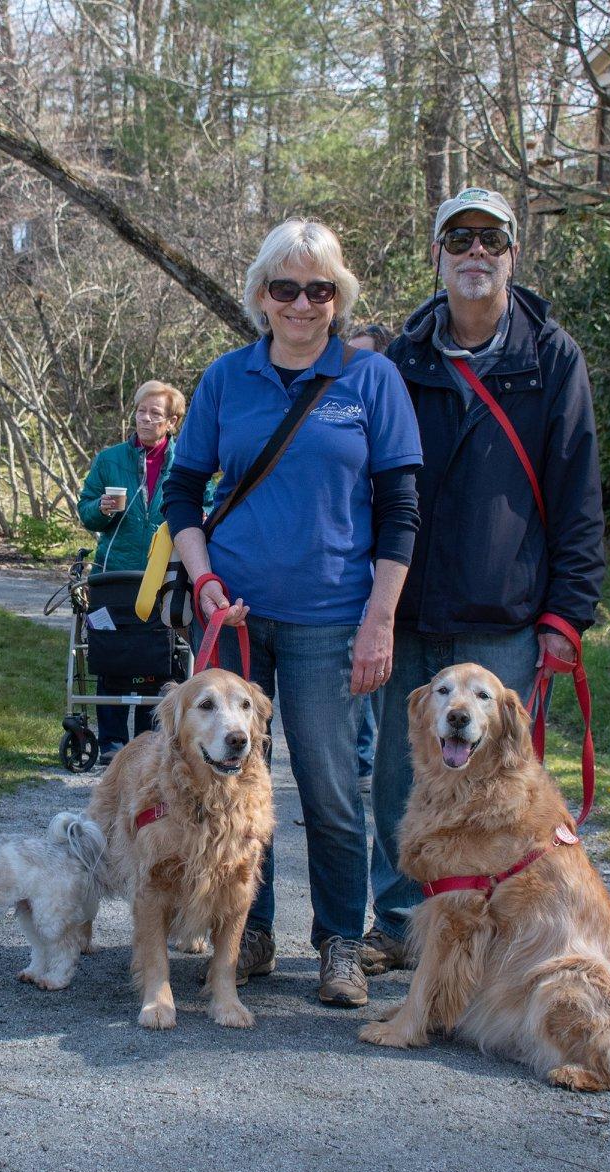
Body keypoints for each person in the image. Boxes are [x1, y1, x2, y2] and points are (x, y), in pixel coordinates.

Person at [163, 218, 422, 1009]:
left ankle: (340, 941)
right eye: (285, 288)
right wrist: (201, 579)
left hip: (331, 618)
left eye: (318, 289)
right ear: (261, 297)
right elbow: (182, 490)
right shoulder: (225, 379)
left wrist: (379, 618)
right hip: (234, 617)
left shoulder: (370, 379)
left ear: (338, 296)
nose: (302, 303)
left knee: (331, 787)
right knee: (233, 785)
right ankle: (249, 932)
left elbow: (400, 507)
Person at [361, 187, 605, 976]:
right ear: (437, 255)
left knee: (500, 790)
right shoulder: (402, 358)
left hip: (506, 612)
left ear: (511, 255)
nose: (474, 252)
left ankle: (497, 929)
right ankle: (399, 921)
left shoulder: (551, 357)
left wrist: (567, 613)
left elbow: (578, 492)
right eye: (458, 238)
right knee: (405, 777)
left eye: (490, 240)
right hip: (413, 608)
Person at [76, 379, 189, 764]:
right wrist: (101, 509)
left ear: (171, 421)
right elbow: (85, 509)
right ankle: (110, 742)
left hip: (163, 571)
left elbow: (201, 503)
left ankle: (146, 742)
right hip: (114, 571)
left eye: (154, 413)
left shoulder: (186, 460)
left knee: (156, 654)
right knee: (114, 649)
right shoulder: (111, 459)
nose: (145, 418)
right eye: (141, 410)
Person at [344, 322, 395, 788]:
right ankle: (360, 763)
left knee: (381, 683)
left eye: (364, 359)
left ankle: (377, 764)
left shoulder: (390, 418)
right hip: (351, 572)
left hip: (388, 571)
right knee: (356, 683)